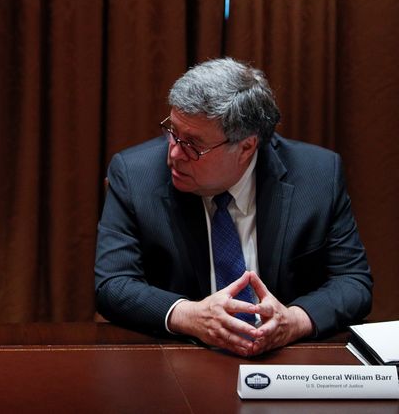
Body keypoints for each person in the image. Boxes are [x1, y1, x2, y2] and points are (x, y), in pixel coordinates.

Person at [94, 57, 372, 357]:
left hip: (285, 362)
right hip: (179, 358)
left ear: (246, 147)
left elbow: (353, 282)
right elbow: (112, 284)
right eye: (172, 131)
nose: (173, 153)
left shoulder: (317, 175)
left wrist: (293, 321)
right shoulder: (136, 176)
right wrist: (189, 315)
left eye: (192, 144)